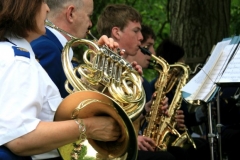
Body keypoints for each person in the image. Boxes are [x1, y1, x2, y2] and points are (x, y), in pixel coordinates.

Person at [0, 1, 122, 160]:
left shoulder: (16, 54)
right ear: (25, 7)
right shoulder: (18, 60)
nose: (48, 8)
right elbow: (20, 137)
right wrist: (90, 127)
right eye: (42, 2)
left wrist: (97, 67)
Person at [97, 6, 179, 160]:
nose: (141, 37)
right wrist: (132, 141)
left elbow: (123, 114)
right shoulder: (103, 64)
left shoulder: (123, 65)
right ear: (116, 32)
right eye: (136, 31)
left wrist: (147, 110)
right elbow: (103, 116)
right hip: (111, 148)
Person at [31, 0, 124, 98]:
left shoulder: (57, 49)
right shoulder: (47, 49)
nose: (90, 24)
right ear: (70, 14)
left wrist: (97, 66)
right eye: (89, 16)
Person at [149, 38, 211, 160]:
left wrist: (200, 114)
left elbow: (185, 120)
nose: (184, 62)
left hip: (177, 136)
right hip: (163, 140)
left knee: (205, 146)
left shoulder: (176, 88)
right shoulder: (155, 87)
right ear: (173, 63)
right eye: (181, 60)